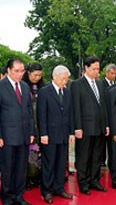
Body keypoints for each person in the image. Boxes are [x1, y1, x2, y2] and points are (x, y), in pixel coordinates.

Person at [71, 56, 109, 195]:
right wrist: (77, 127)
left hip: (99, 127)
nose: (96, 72)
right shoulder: (77, 84)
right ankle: (83, 183)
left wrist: (106, 125)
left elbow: (103, 106)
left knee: (97, 156)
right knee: (83, 157)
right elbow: (76, 108)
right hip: (85, 128)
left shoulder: (100, 84)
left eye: (98, 69)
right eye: (94, 69)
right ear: (86, 68)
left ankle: (94, 181)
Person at [37, 65, 74, 203]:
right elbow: (41, 115)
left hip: (64, 134)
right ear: (55, 77)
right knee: (49, 164)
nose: (65, 81)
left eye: (66, 79)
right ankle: (46, 191)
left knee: (61, 164)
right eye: (63, 79)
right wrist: (43, 134)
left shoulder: (67, 92)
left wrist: (71, 132)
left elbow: (70, 113)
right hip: (50, 135)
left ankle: (59, 188)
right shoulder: (44, 92)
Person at [0, 58, 35, 205]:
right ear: (8, 70)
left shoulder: (26, 87)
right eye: (16, 71)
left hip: (24, 135)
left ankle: (19, 196)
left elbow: (29, 111)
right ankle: (7, 198)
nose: (20, 74)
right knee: (7, 168)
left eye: (22, 71)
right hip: (7, 136)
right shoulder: (1, 86)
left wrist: (32, 132)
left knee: (21, 168)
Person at [22, 63, 45, 189]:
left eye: (40, 75)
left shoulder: (43, 87)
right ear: (28, 73)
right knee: (27, 154)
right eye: (35, 75)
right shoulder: (23, 87)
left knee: (39, 153)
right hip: (29, 125)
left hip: (40, 125)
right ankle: (26, 178)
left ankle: (36, 177)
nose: (37, 77)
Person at [100, 63, 116, 168]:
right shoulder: (101, 84)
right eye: (112, 73)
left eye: (115, 73)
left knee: (112, 143)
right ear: (106, 73)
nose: (113, 75)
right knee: (102, 142)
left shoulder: (115, 85)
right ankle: (101, 160)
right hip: (104, 116)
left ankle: (112, 162)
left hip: (113, 117)